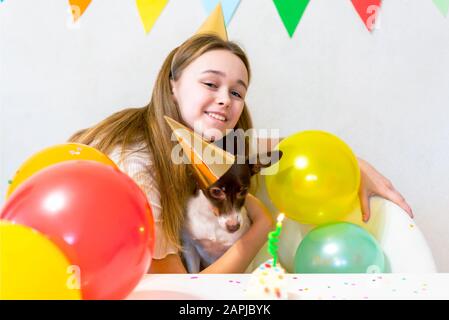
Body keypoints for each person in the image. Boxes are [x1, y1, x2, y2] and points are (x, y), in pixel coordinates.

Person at [68, 33, 413, 274]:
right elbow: (180, 294)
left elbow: (280, 149)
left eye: (237, 91)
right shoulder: (137, 160)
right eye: (210, 83)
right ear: (173, 84)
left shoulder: (211, 145)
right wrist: (260, 228)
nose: (225, 99)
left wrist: (353, 165)